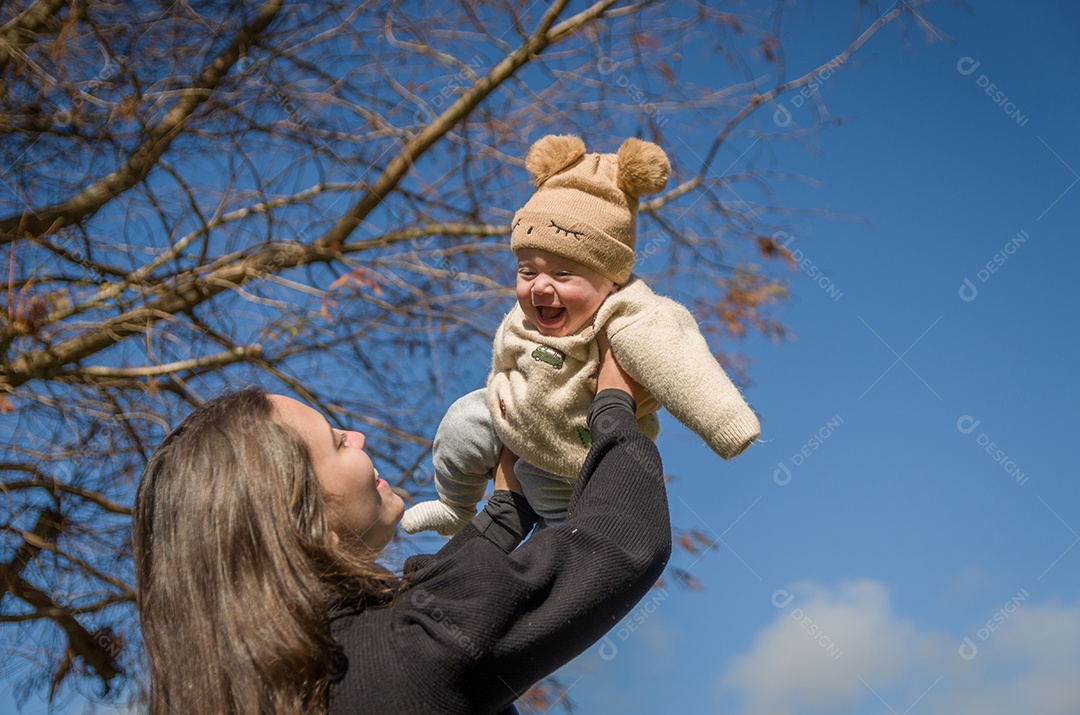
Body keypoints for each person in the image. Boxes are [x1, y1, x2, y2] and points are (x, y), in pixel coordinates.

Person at [133, 334, 670, 714]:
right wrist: (614, 400)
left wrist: (507, 509)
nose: (359, 438)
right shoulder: (412, 655)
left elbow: (436, 609)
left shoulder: (287, 683)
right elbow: (622, 539)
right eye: (337, 442)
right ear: (301, 518)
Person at [401, 134, 760, 535]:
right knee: (462, 421)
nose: (539, 287)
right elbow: (503, 361)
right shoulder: (525, 317)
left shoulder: (629, 313)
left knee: (568, 530)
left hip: (577, 452)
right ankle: (456, 505)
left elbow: (678, 360)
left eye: (562, 274)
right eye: (527, 271)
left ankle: (558, 557)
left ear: (609, 278)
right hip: (510, 418)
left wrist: (726, 422)